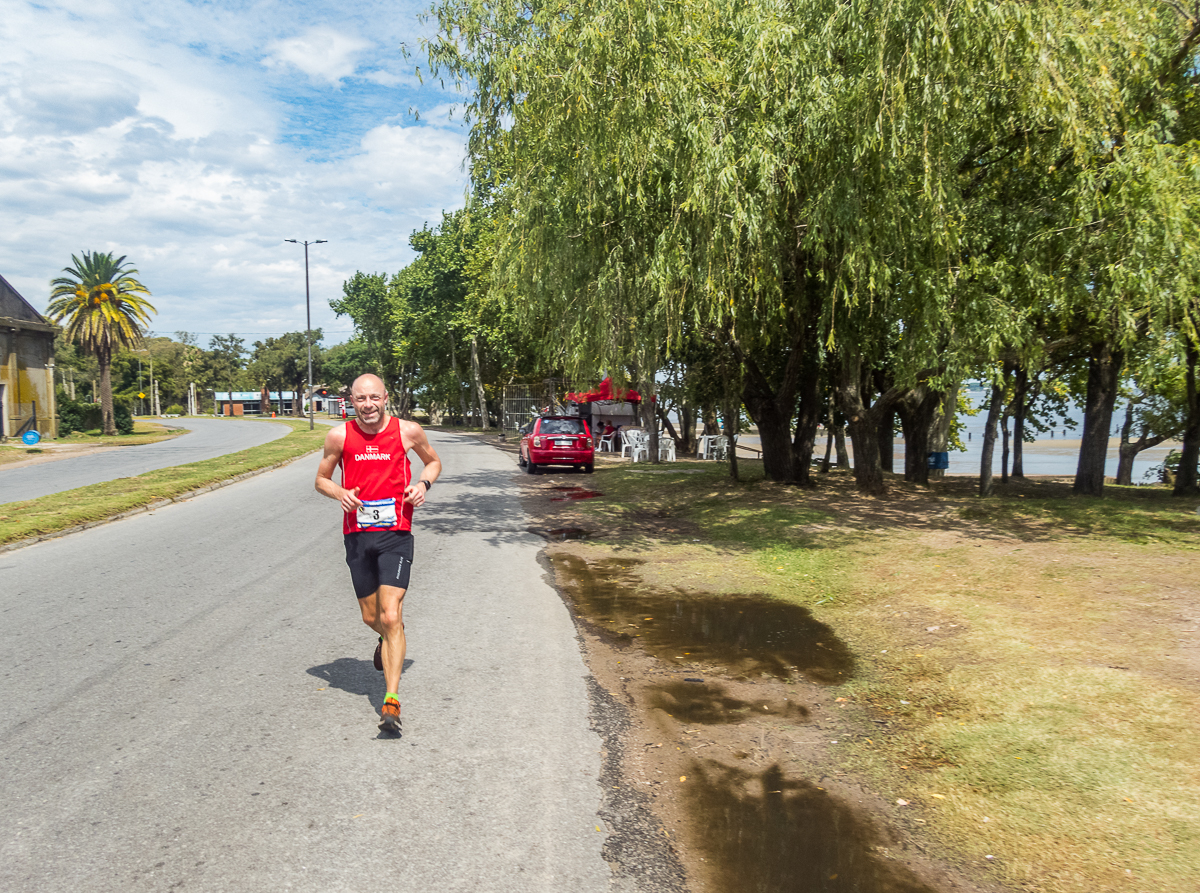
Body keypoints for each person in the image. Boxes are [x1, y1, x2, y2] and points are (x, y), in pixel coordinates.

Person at [315, 373, 442, 734]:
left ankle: (391, 701)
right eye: (360, 399)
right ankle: (387, 637)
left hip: (395, 535)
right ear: (351, 402)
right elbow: (321, 479)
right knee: (373, 618)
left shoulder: (408, 431)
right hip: (357, 536)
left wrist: (422, 484)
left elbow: (433, 462)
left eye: (374, 397)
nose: (368, 405)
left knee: (390, 614)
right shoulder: (339, 435)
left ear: (385, 397)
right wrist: (338, 492)